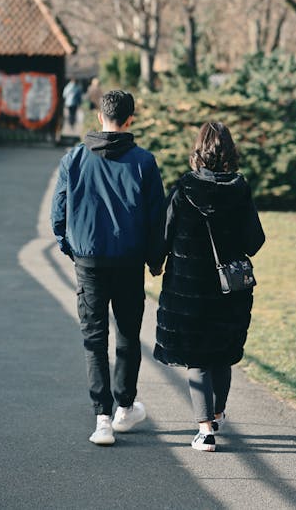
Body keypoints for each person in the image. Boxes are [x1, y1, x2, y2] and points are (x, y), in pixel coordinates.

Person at [51, 90, 166, 445]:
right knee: (129, 335)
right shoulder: (144, 162)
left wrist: (70, 247)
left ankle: (101, 417)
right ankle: (124, 407)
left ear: (100, 116)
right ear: (130, 119)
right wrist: (155, 259)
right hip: (129, 261)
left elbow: (59, 212)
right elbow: (156, 218)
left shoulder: (74, 158)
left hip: (89, 260)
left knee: (94, 337)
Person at [153, 121, 265, 452]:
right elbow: (255, 240)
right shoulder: (240, 189)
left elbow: (164, 233)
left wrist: (155, 262)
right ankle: (217, 413)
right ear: (229, 153)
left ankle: (205, 430)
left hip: (189, 289)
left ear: (198, 151)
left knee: (197, 359)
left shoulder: (183, 189)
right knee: (221, 354)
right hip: (229, 290)